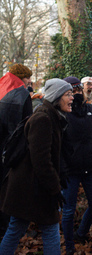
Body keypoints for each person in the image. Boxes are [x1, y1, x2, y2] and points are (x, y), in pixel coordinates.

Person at [0, 78, 73, 255]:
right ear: (56, 96)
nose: (72, 98)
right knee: (49, 230)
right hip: (32, 188)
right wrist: (55, 189)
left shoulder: (52, 116)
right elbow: (41, 161)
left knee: (16, 229)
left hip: (30, 187)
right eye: (68, 94)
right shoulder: (43, 118)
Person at [61, 76, 92, 255]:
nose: (76, 94)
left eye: (78, 90)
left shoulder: (90, 109)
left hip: (90, 167)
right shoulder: (63, 113)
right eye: (71, 91)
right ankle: (70, 245)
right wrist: (62, 168)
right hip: (70, 171)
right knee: (68, 210)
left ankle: (81, 233)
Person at [0, 63, 33, 236]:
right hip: (12, 149)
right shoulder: (22, 93)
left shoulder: (1, 86)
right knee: (7, 189)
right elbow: (26, 124)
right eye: (28, 78)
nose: (30, 81)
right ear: (23, 77)